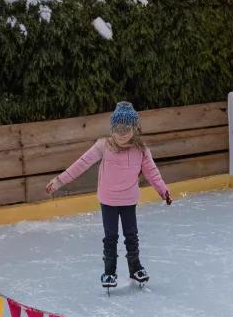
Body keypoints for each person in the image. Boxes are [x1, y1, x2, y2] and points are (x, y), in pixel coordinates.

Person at [46, 101, 172, 288]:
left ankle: (135, 267)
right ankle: (109, 271)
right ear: (112, 128)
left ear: (134, 128)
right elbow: (81, 164)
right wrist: (59, 181)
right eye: (117, 128)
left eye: (126, 128)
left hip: (129, 200)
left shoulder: (141, 150)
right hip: (108, 200)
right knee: (110, 237)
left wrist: (163, 190)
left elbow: (152, 173)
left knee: (131, 235)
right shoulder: (103, 146)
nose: (121, 133)